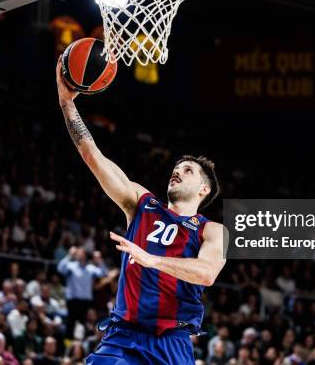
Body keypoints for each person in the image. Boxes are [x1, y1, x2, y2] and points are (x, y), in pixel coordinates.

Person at [55, 59, 226, 363]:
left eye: (187, 170)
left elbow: (207, 273)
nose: (177, 171)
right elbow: (93, 156)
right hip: (123, 336)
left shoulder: (211, 230)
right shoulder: (142, 203)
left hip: (171, 342)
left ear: (204, 190)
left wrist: (151, 259)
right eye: (176, 168)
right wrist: (66, 102)